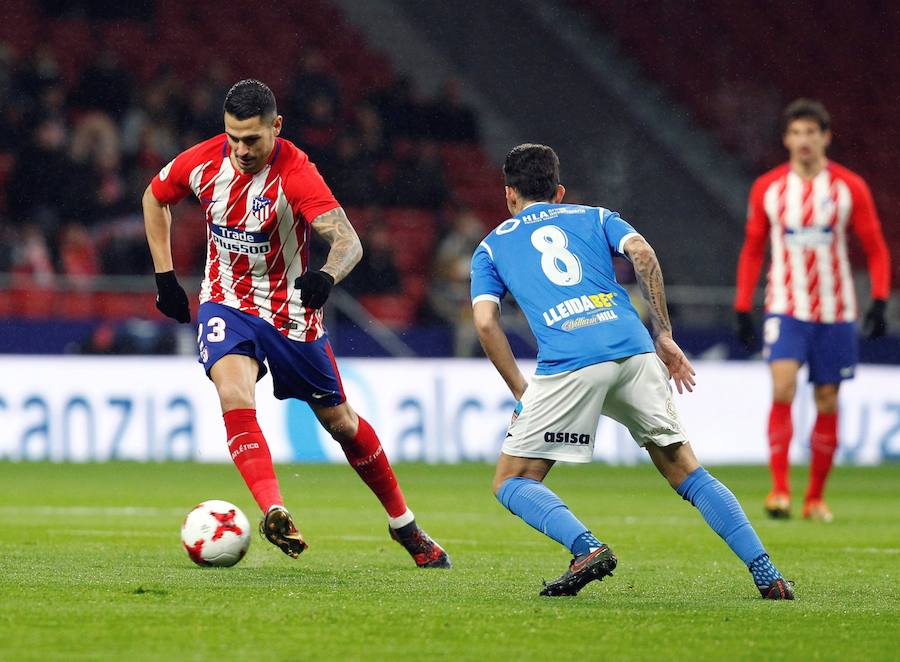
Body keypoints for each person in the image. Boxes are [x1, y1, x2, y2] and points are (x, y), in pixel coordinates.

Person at [142, 79, 449, 568]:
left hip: (290, 312)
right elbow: (154, 197)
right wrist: (164, 278)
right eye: (233, 138)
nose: (241, 150)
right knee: (233, 394)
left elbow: (348, 242)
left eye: (252, 139)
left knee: (341, 423)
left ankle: (403, 524)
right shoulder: (202, 162)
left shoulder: (297, 172)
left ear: (276, 127)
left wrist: (326, 276)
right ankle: (274, 510)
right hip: (226, 300)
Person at [470, 143, 793, 599]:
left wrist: (523, 392)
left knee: (513, 480)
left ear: (509, 195)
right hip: (634, 349)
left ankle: (586, 547)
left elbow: (486, 323)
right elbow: (641, 252)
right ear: (559, 192)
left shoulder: (491, 246)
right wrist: (664, 333)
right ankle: (767, 573)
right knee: (686, 470)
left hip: (571, 361)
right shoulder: (597, 217)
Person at [734, 99, 891, 522]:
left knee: (826, 399)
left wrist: (879, 299)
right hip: (786, 306)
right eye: (796, 133)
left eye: (811, 133)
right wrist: (742, 306)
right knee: (783, 387)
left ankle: (815, 498)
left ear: (825, 137)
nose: (803, 140)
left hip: (836, 312)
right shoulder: (768, 188)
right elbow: (753, 249)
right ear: (786, 139)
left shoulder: (848, 187)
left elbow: (876, 247)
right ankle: (780, 491)